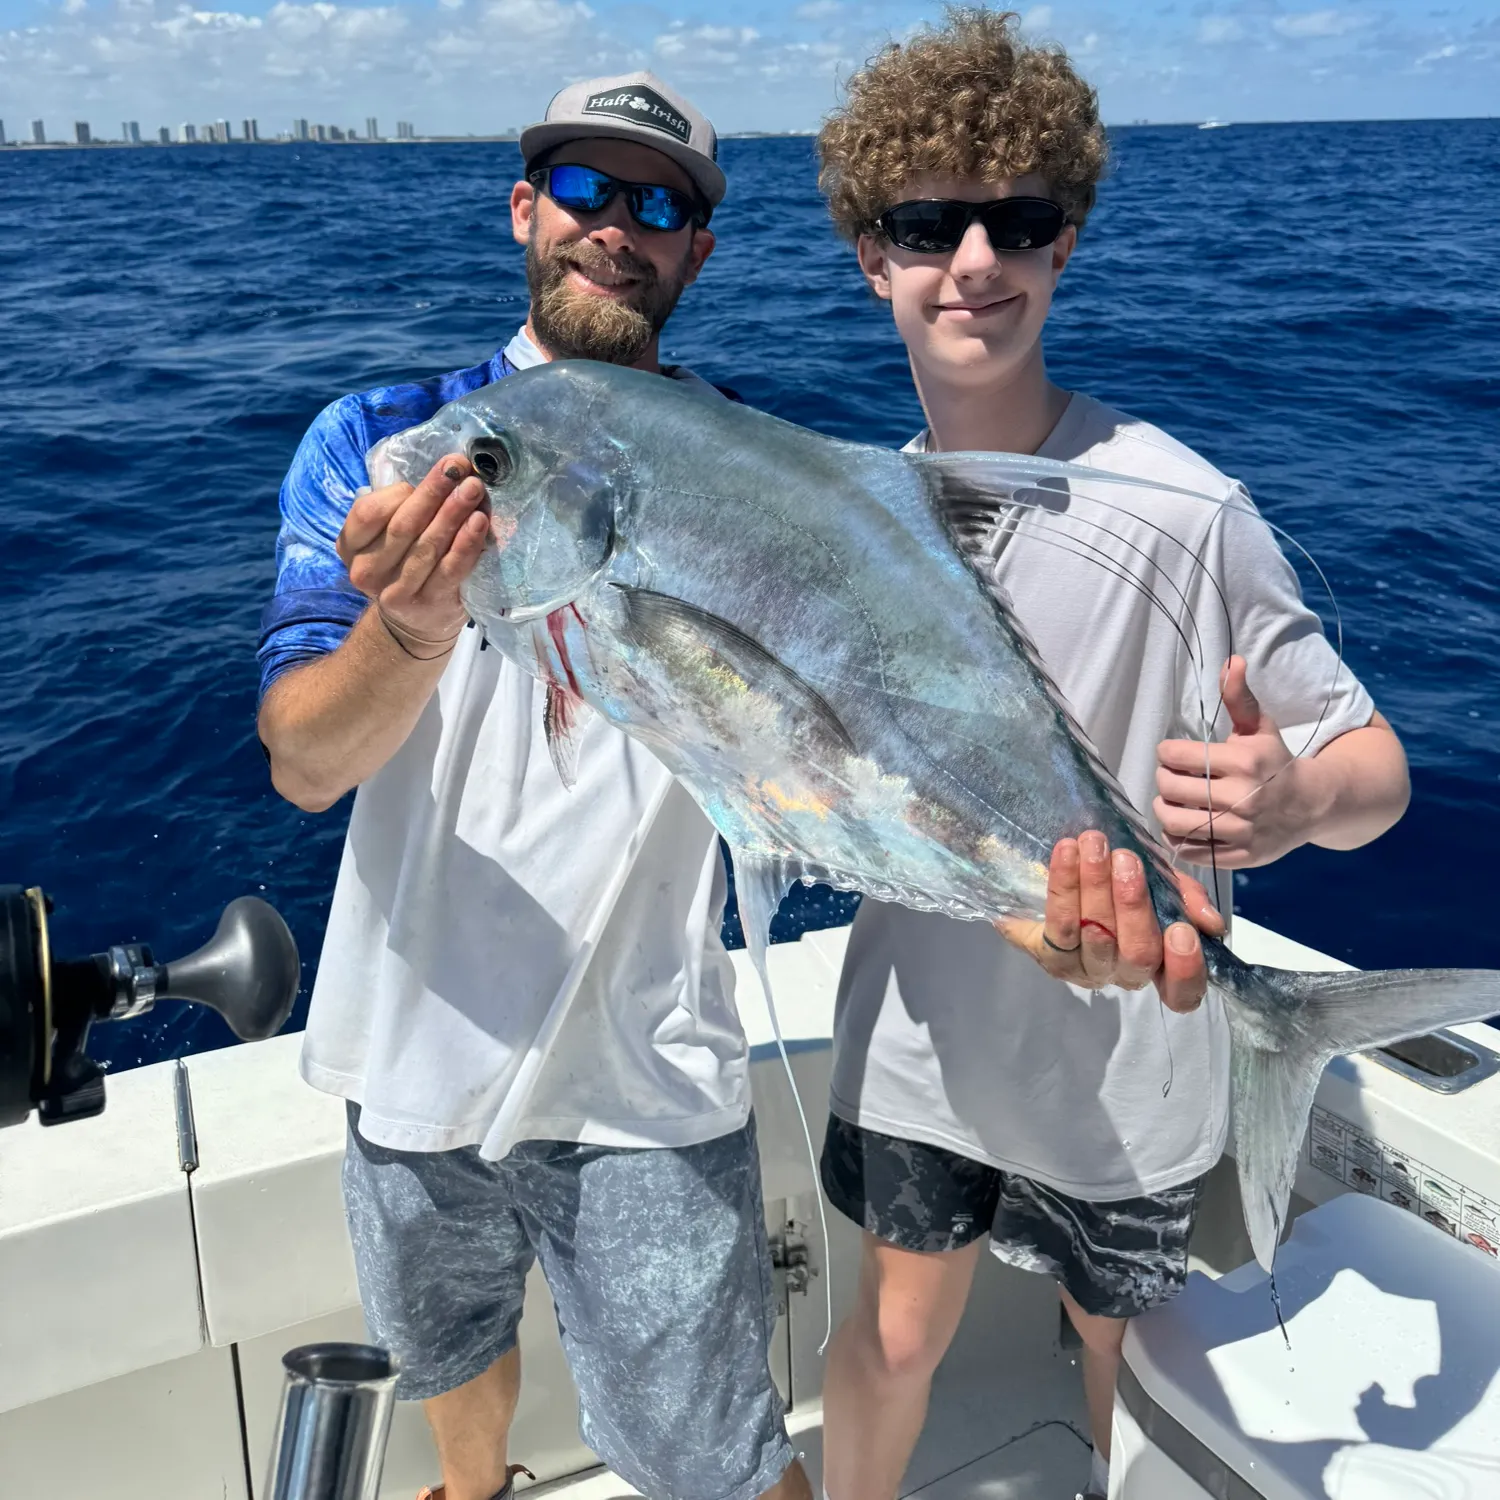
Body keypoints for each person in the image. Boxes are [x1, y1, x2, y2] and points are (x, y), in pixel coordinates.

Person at [810, 11, 1412, 1500]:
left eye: (1015, 220)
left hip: (1137, 1055)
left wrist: (1295, 796)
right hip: (919, 1044)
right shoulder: (846, 521)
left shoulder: (1185, 508)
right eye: (925, 223)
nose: (973, 260)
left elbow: (1377, 773)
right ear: (868, 255)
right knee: (890, 1339)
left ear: (1064, 242)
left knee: (1119, 1348)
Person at [257, 71, 816, 1500]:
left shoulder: (756, 472)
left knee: (716, 1464)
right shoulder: (388, 445)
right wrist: (411, 628)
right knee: (448, 1368)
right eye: (583, 190)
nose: (614, 228)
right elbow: (305, 763)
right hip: (408, 1046)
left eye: (660, 204)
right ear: (525, 209)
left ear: (698, 247)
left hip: (644, 1069)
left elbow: (820, 744)